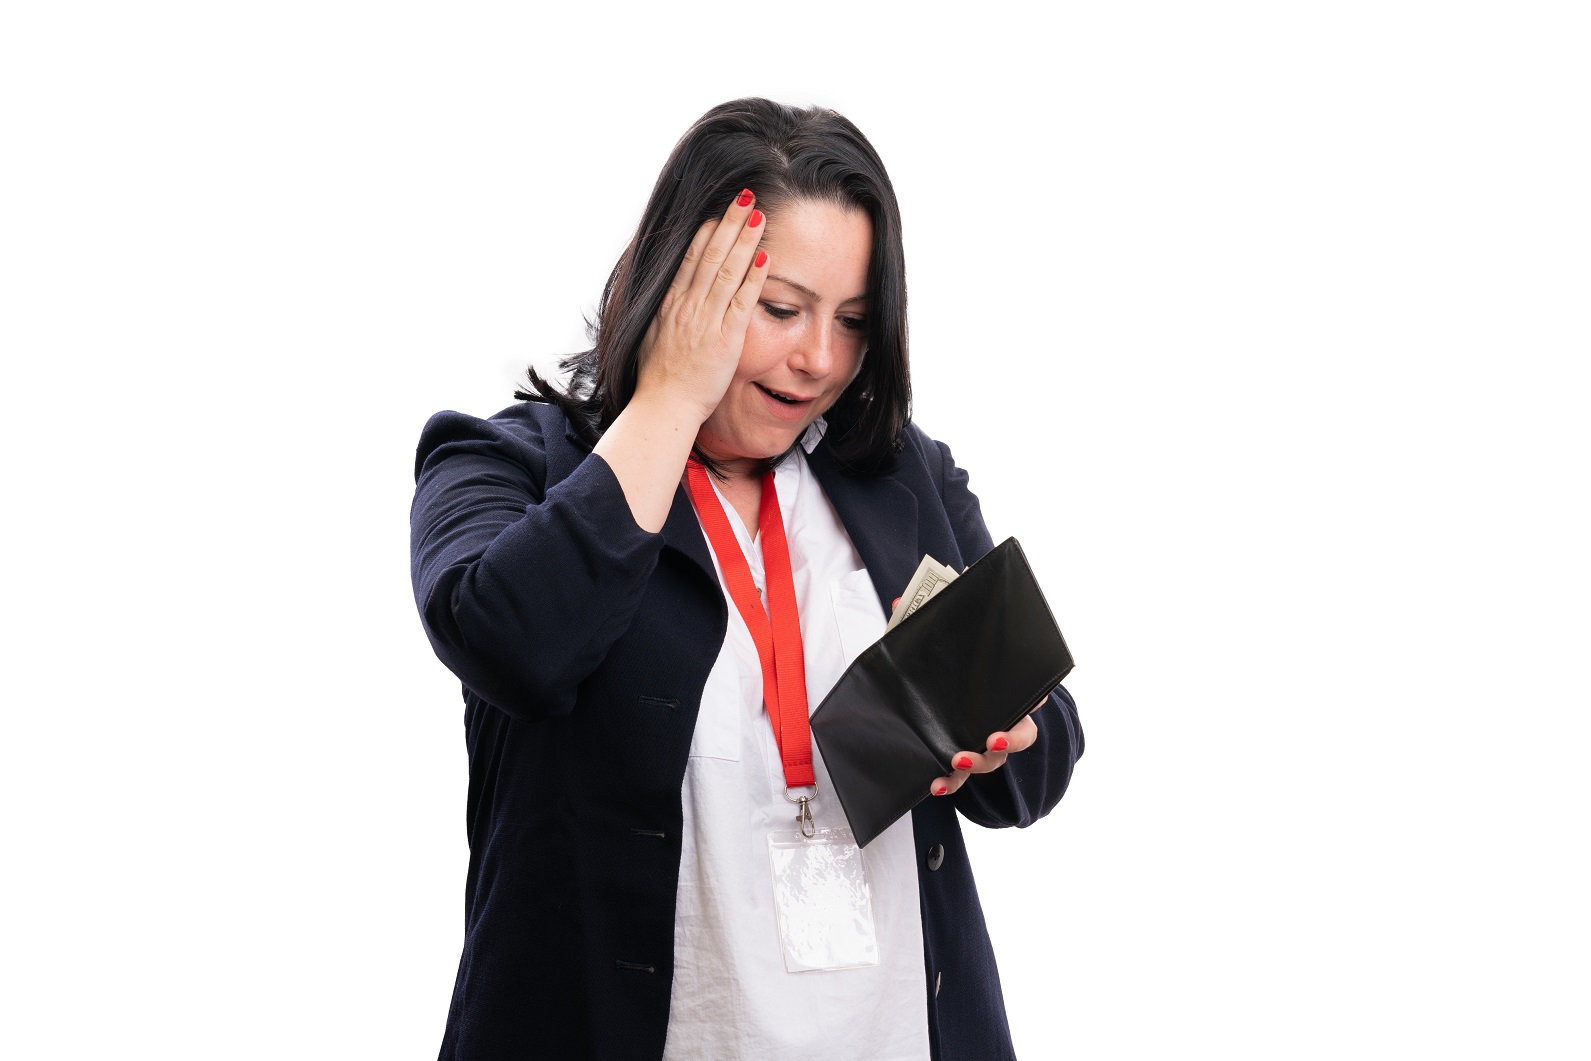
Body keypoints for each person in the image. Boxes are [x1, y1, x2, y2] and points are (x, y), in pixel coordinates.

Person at [409, 98, 1084, 1061]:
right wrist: (671, 396)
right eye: (778, 310)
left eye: (852, 321)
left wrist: (1009, 734)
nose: (818, 359)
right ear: (681, 284)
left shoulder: (900, 476)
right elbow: (512, 646)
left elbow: (1043, 752)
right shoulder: (511, 462)